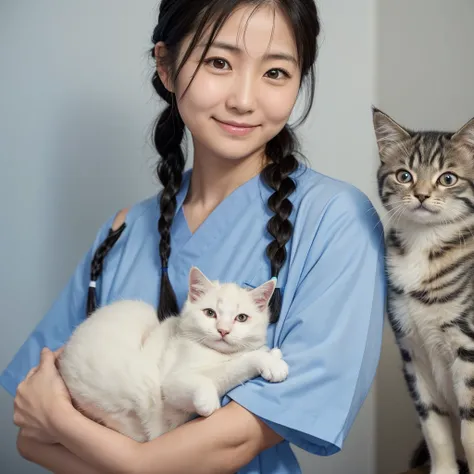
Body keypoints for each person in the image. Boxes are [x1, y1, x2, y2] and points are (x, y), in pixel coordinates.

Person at [1, 1, 386, 473]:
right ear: (165, 65)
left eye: (277, 72)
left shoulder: (336, 221)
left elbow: (230, 445)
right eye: (218, 62)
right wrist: (59, 427)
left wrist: (64, 421)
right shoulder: (123, 232)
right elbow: (30, 436)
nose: (245, 98)